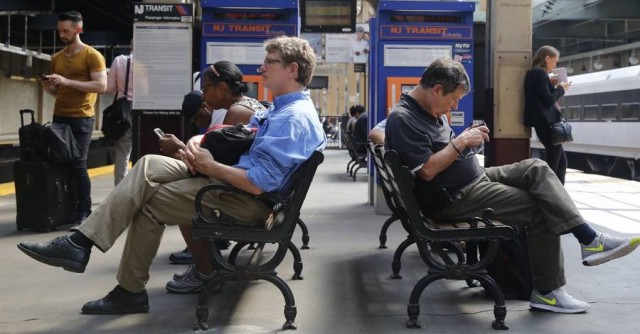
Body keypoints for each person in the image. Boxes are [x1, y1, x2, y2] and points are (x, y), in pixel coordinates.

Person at [17, 36, 326, 315]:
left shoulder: (293, 118)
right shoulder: (282, 109)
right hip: (231, 182)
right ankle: (81, 243)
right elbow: (243, 138)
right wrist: (198, 146)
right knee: (149, 164)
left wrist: (210, 166)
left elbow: (259, 184)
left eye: (270, 63)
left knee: (148, 204)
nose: (262, 68)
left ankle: (126, 289)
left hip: (246, 198)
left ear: (292, 70)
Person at [385, 57, 640, 314]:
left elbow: (444, 155)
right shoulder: (404, 119)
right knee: (542, 207)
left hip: (473, 180)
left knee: (536, 168)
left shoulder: (430, 111)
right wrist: (461, 142)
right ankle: (548, 292)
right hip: (455, 198)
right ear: (437, 89)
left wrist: (466, 144)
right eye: (454, 99)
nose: (454, 106)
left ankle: (591, 239)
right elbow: (427, 170)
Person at [159, 61, 266, 293]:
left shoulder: (236, 113)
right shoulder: (249, 106)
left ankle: (204, 272)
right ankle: (204, 266)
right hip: (258, 193)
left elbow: (208, 168)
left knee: (180, 201)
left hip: (243, 195)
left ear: (222, 88)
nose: (204, 97)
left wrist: (179, 150)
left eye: (206, 89)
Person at [40, 11, 107, 227]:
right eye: (59, 30)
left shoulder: (92, 55)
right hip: (60, 117)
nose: (61, 34)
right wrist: (51, 88)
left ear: (79, 30)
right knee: (63, 164)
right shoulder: (56, 58)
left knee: (78, 163)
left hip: (82, 118)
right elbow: (58, 92)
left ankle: (84, 212)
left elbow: (101, 86)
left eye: (65, 31)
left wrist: (66, 81)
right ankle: (67, 209)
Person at [524, 45, 572, 184]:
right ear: (547, 58)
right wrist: (561, 88)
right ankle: (552, 193)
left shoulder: (535, 73)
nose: (555, 64)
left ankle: (557, 192)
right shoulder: (539, 73)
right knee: (555, 163)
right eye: (554, 61)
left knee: (561, 162)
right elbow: (548, 99)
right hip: (547, 123)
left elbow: (542, 94)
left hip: (543, 123)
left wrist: (551, 84)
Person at [106, 41, 133, 186]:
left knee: (123, 154)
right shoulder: (149, 64)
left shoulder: (120, 60)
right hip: (147, 111)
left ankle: (120, 192)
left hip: (124, 112)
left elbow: (109, 88)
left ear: (131, 45)